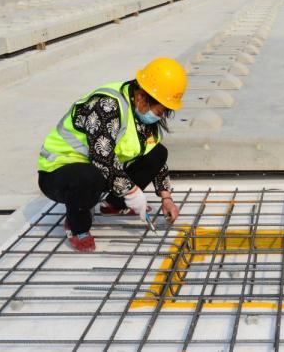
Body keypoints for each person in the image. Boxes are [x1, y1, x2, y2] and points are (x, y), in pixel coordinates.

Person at [37, 57, 188, 252]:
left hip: (95, 169)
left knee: (158, 153)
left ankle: (113, 204)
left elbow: (152, 154)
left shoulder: (142, 114)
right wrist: (133, 192)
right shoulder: (107, 106)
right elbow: (101, 159)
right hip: (58, 172)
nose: (159, 116)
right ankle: (77, 227)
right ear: (142, 97)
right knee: (91, 177)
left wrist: (166, 198)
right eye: (159, 111)